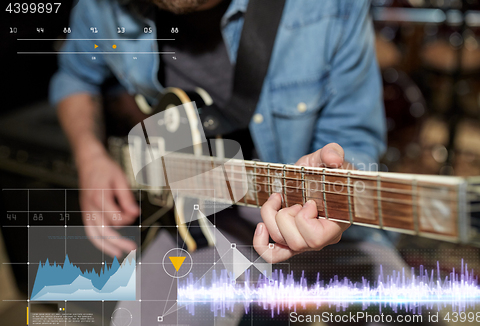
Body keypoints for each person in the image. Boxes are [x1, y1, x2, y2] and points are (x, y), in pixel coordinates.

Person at [50, 0, 386, 263]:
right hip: (185, 221)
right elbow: (75, 75)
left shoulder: (334, 6)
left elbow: (353, 141)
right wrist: (89, 154)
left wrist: (334, 195)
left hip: (301, 217)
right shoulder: (99, 6)